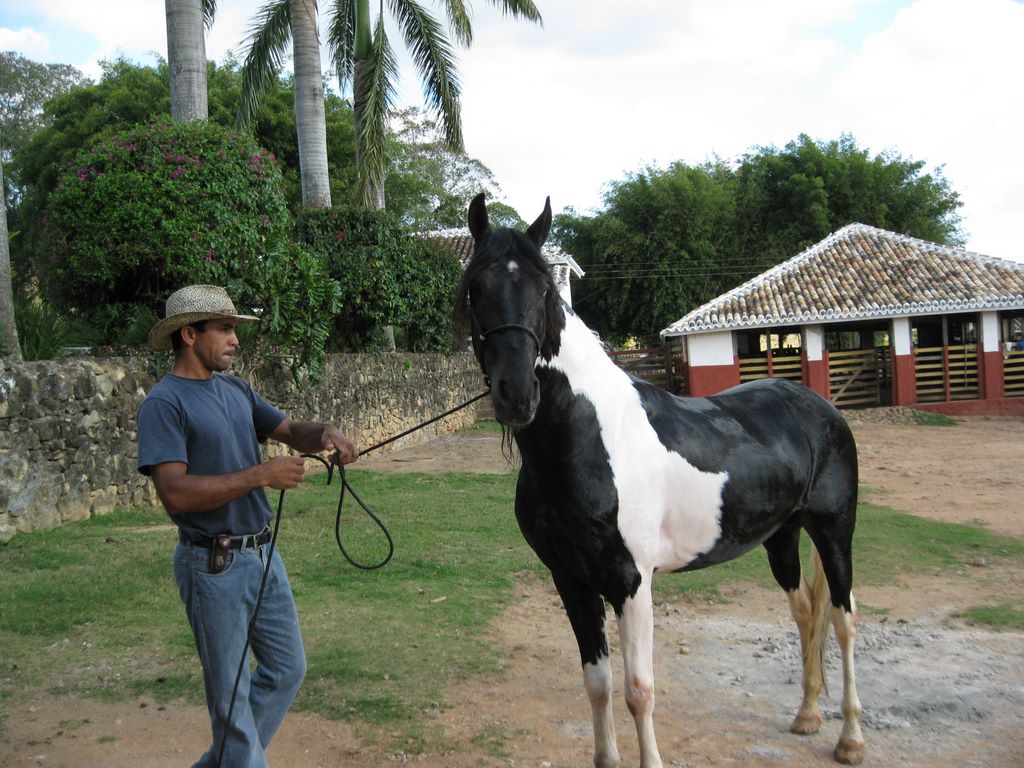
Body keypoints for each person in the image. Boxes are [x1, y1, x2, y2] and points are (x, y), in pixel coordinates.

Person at [136, 284, 358, 767]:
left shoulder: (235, 389)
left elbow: (287, 430)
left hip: (262, 556)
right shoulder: (164, 402)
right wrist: (261, 475)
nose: (236, 339)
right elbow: (173, 491)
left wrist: (323, 434)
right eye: (226, 329)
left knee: (286, 669)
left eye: (236, 329)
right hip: (211, 564)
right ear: (189, 334)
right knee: (232, 702)